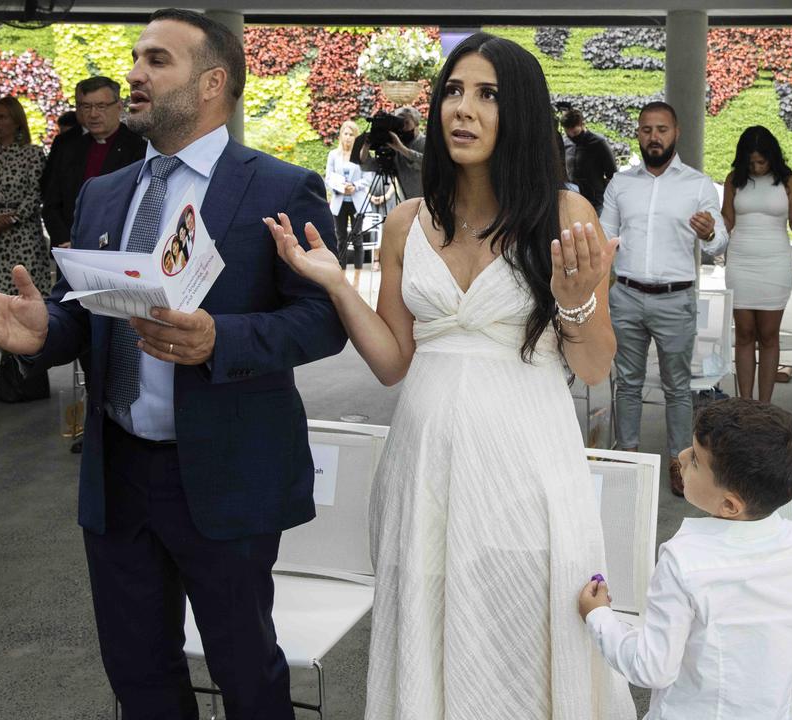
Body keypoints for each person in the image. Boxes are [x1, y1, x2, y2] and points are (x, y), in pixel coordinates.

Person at [0, 11, 348, 718]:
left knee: (246, 673)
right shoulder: (104, 193)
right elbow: (83, 309)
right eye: (134, 58)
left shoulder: (279, 188)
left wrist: (222, 339)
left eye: (157, 60)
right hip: (118, 473)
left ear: (212, 82)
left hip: (225, 476)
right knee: (138, 672)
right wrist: (44, 330)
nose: (133, 75)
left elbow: (323, 319)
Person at [265, 32, 635, 719]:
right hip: (424, 468)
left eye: (487, 94)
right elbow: (390, 363)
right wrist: (336, 285)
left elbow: (592, 363)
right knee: (430, 629)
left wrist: (577, 298)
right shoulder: (407, 222)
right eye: (454, 92)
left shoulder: (565, 215)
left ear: (520, 111)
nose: (463, 109)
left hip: (527, 464)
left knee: (528, 627)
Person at [578, 397, 792, 719]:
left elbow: (652, 668)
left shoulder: (683, 560)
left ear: (729, 505)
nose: (681, 457)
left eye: (695, 460)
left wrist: (599, 617)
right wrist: (789, 709)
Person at [601, 101, 729, 497]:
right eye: (646, 129)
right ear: (637, 133)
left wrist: (709, 233)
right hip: (625, 295)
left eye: (662, 129)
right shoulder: (620, 184)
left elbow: (720, 240)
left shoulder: (697, 185)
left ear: (676, 133)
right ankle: (629, 459)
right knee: (627, 384)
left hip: (675, 301)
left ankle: (679, 462)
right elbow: (605, 240)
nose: (654, 137)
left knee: (677, 387)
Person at [721, 125, 792, 403]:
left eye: (762, 161)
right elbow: (727, 221)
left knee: (769, 335)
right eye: (751, 162)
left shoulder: (789, 180)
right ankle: (745, 402)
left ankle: (764, 404)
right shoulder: (734, 179)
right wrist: (708, 224)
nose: (757, 167)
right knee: (744, 333)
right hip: (741, 261)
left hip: (774, 261)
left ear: (773, 156)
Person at [41, 76, 147, 249]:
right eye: (86, 106)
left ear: (119, 107)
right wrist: (64, 240)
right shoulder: (68, 147)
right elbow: (51, 201)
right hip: (70, 248)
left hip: (115, 248)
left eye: (101, 106)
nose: (93, 114)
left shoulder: (138, 147)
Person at [0, 97, 48, 296]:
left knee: (20, 291)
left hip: (22, 233)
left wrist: (12, 218)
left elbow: (36, 192)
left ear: (16, 120)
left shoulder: (32, 153)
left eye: (2, 117)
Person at [325, 119, 373, 289]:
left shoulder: (362, 155)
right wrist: (340, 187)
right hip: (339, 202)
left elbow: (368, 178)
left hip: (357, 202)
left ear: (355, 137)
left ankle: (357, 280)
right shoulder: (333, 155)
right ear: (341, 136)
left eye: (351, 134)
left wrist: (354, 186)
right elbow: (328, 177)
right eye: (345, 133)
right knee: (340, 240)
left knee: (357, 239)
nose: (348, 137)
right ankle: (342, 277)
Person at [353, 105, 424, 203]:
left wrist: (402, 149)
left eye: (406, 122)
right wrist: (366, 146)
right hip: (407, 203)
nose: (402, 128)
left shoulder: (426, 142)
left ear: (416, 123)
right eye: (399, 123)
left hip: (428, 201)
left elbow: (427, 163)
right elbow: (370, 166)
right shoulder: (395, 146)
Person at [561, 108, 617, 213]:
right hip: (573, 198)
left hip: (596, 199)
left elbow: (612, 174)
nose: (572, 136)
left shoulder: (598, 143)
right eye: (568, 132)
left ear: (583, 125)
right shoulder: (565, 142)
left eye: (575, 132)